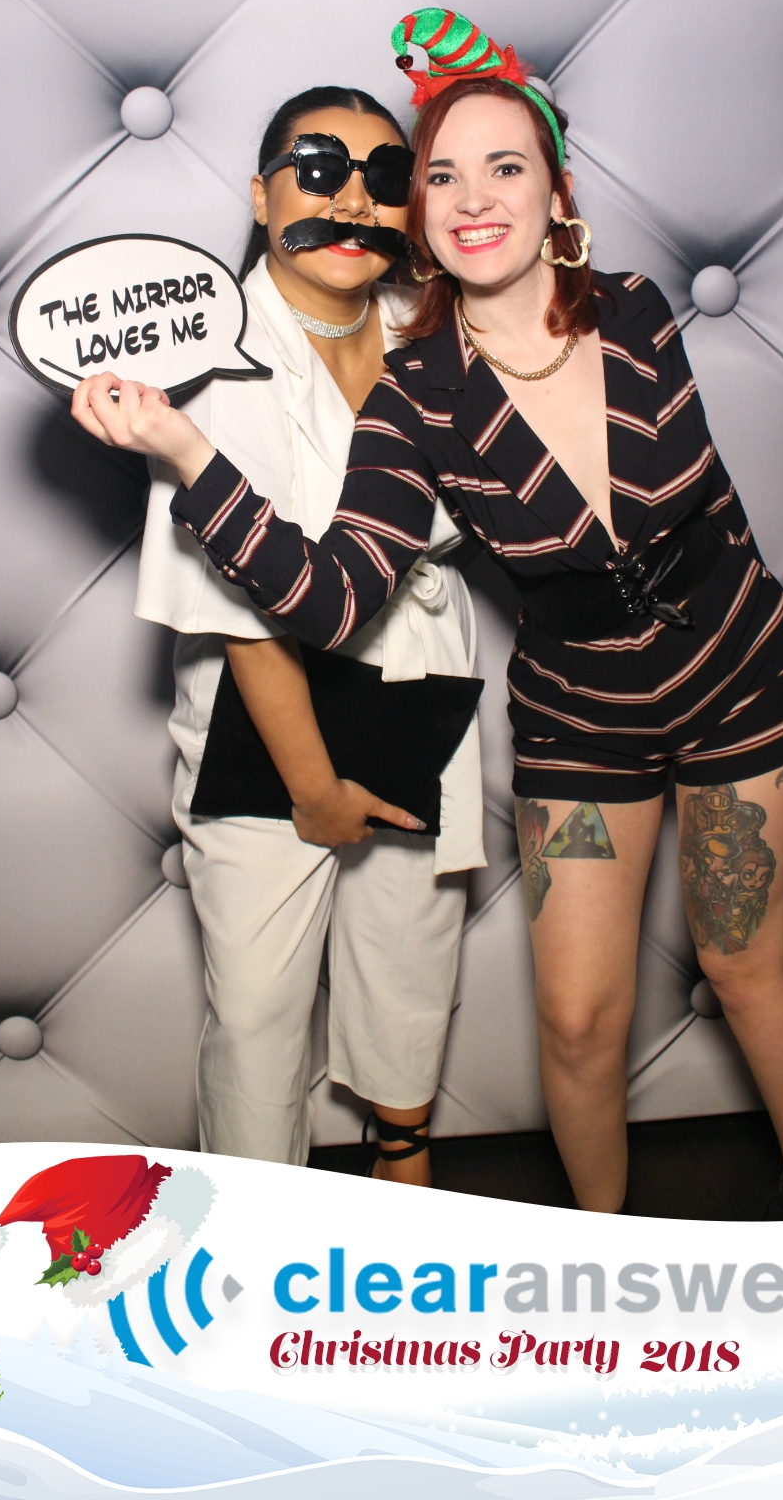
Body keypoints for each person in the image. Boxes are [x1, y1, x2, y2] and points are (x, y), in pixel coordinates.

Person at [73, 11, 783, 1223]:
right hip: (568, 719)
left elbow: (696, 520)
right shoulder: (413, 391)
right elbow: (330, 594)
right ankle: (578, 1263)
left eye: (501, 166)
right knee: (560, 1021)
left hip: (739, 688)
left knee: (737, 968)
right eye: (440, 175)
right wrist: (186, 450)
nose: (467, 196)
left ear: (557, 192)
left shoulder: (632, 312)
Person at [121, 85, 485, 1183]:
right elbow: (241, 611)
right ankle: (249, 1243)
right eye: (320, 171)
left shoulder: (434, 328)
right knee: (259, 1018)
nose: (354, 202)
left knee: (410, 968)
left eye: (386, 178)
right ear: (261, 194)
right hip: (269, 721)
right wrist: (315, 789)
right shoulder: (206, 356)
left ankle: (404, 1191)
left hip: (418, 683)